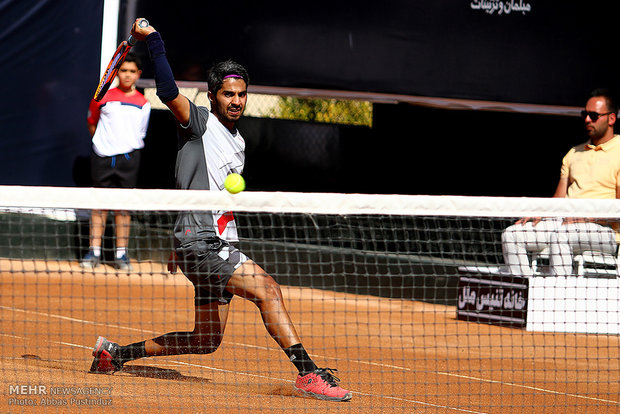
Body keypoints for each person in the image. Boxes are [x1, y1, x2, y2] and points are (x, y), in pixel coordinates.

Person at [89, 19, 352, 402]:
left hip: (206, 240)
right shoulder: (200, 122)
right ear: (212, 96)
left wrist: (178, 242)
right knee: (269, 291)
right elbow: (167, 91)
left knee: (206, 340)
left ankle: (115, 354)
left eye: (242, 94)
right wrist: (155, 41)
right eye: (228, 94)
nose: (236, 101)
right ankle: (309, 373)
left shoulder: (238, 142)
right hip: (204, 242)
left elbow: (213, 197)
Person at [502, 88, 619, 276]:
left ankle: (558, 296)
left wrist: (585, 218)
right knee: (512, 235)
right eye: (585, 114)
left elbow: (618, 211)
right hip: (565, 223)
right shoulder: (573, 153)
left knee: (560, 237)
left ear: (611, 118)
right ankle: (529, 294)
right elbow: (558, 201)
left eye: (594, 115)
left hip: (605, 232)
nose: (587, 119)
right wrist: (541, 212)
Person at [81, 54, 151, 270]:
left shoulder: (144, 103)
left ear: (138, 74)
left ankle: (121, 255)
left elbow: (140, 132)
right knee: (99, 207)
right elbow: (91, 122)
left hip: (129, 159)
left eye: (132, 71)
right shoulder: (102, 96)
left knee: (123, 209)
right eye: (123, 70)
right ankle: (94, 252)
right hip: (102, 156)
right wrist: (102, 144)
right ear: (117, 73)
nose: (127, 75)